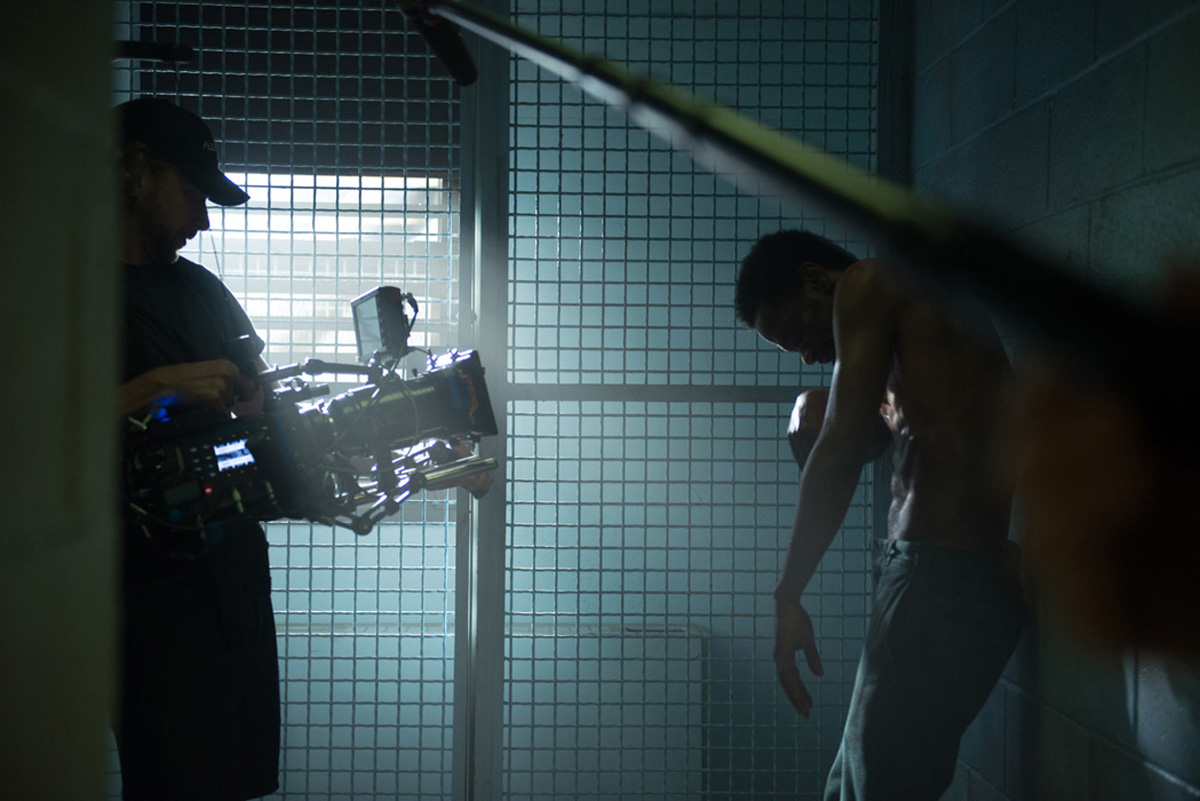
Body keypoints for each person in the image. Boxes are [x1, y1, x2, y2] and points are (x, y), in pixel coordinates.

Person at [734, 230, 1025, 800]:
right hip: (947, 581)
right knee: (850, 785)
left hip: (937, 581)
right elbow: (888, 437)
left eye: (797, 332)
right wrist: (815, 407)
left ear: (817, 279)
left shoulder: (869, 283)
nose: (811, 354)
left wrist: (787, 594)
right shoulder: (917, 328)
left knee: (872, 790)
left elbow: (840, 457)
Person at [115, 96, 280, 801]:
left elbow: (265, 409)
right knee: (174, 779)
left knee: (233, 778)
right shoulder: (56, 290)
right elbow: (32, 430)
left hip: (235, 578)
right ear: (135, 172)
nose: (204, 219)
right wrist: (155, 386)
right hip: (145, 593)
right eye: (192, 192)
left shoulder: (204, 291)